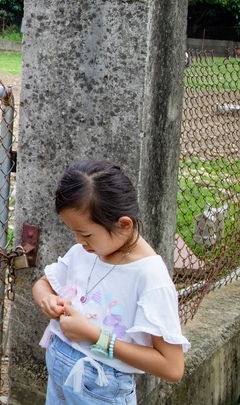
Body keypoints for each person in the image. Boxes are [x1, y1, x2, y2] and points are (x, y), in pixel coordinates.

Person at [33, 159, 188, 404]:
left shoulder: (149, 277)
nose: (79, 241)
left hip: (103, 390)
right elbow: (43, 283)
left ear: (124, 225)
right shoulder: (86, 251)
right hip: (60, 375)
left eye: (85, 234)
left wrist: (94, 337)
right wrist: (47, 300)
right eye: (73, 232)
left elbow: (172, 368)